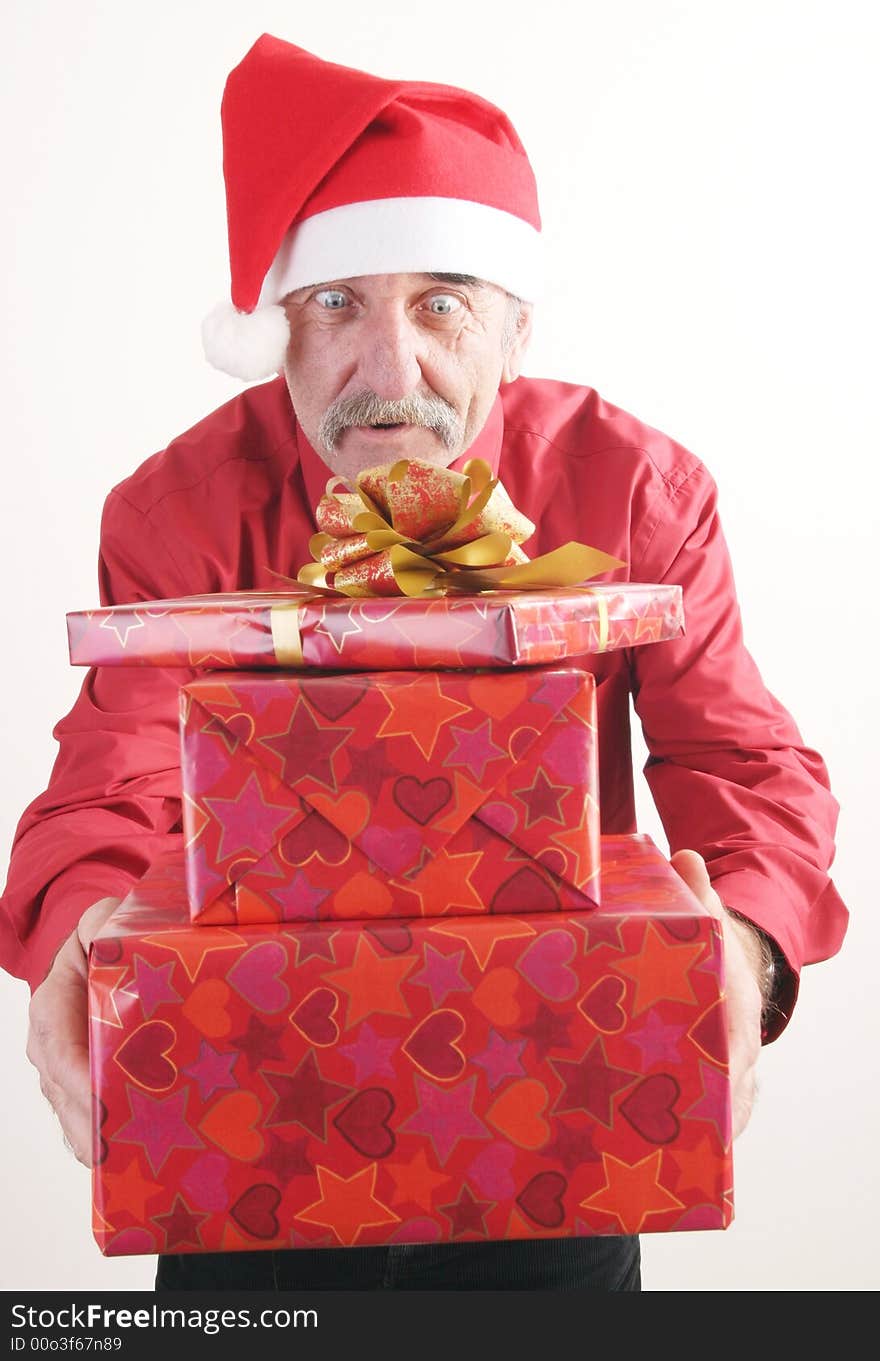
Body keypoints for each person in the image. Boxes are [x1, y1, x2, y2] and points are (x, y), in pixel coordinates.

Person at [1, 34, 847, 1293]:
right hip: (253, 1108)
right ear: (273, 331)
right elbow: (108, 785)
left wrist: (743, 941)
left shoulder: (635, 489)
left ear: (511, 329)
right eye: (335, 303)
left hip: (563, 1097)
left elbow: (742, 760)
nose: (389, 374)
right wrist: (81, 938)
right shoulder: (175, 511)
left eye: (441, 300)